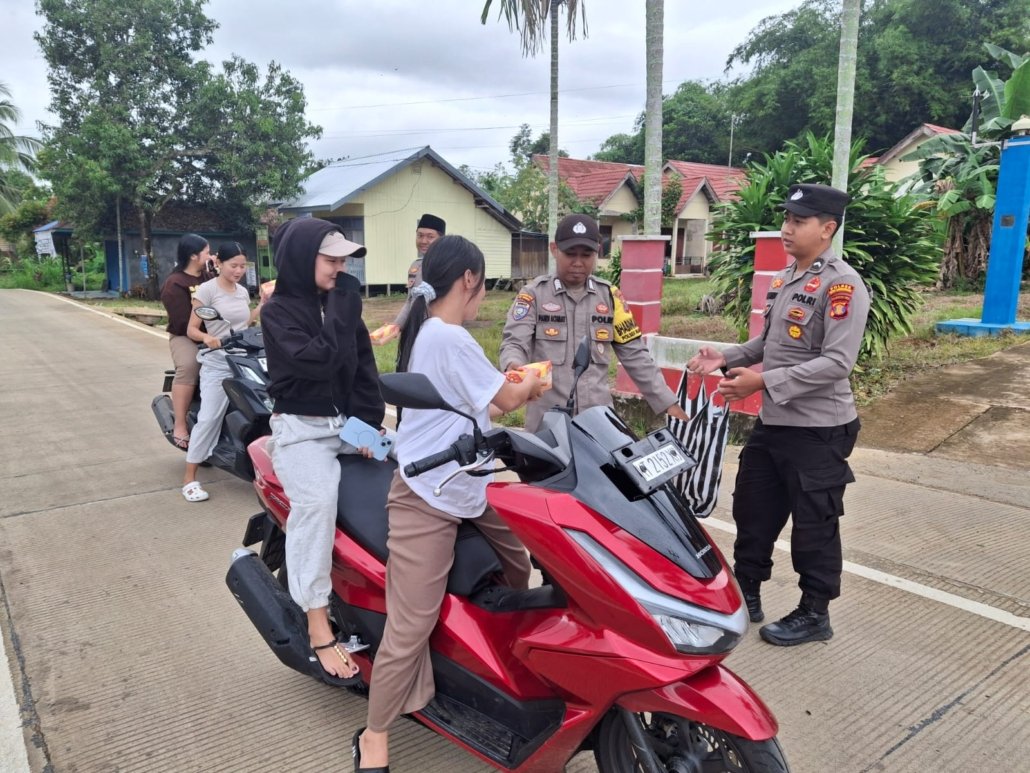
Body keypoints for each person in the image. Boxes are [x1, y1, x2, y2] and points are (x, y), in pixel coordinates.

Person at [353, 235, 543, 772]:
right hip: (426, 495)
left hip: (468, 483)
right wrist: (531, 379)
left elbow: (481, 404)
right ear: (469, 280)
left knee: (518, 563)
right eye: (483, 284)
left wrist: (514, 388)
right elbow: (507, 398)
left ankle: (487, 661)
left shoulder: (434, 333)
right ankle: (374, 734)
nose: (483, 294)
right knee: (410, 623)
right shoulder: (447, 336)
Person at [686, 183, 870, 646]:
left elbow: (837, 363)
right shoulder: (787, 278)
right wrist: (725, 357)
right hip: (775, 423)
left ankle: (815, 613)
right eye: (786, 218)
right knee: (754, 510)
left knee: (814, 522)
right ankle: (747, 592)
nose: (787, 228)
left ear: (827, 229)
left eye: (798, 221)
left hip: (819, 429)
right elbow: (768, 344)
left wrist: (761, 381)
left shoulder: (843, 285)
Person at [260, 217, 385, 682]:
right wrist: (344, 305)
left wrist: (369, 429)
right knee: (316, 504)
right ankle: (317, 621)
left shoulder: (338, 304)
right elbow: (320, 361)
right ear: (301, 259)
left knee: (414, 472)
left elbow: (363, 369)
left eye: (343, 262)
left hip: (347, 427)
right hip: (301, 430)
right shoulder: (277, 313)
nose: (340, 269)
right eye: (331, 260)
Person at [499, 213, 688, 432]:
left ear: (597, 252)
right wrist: (513, 364)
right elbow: (515, 341)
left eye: (586, 255)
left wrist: (668, 403)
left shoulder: (610, 297)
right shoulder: (533, 295)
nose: (578, 262)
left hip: (599, 424)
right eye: (570, 254)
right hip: (547, 423)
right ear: (554, 249)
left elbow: (636, 355)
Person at [180, 242, 263, 502]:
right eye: (233, 265)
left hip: (244, 359)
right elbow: (192, 329)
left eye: (242, 266)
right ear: (219, 263)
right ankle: (189, 478)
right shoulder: (207, 290)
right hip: (217, 362)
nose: (238, 271)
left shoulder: (242, 291)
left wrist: (263, 305)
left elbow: (244, 324)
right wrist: (207, 338)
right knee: (209, 418)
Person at [159, 233, 213, 449]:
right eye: (207, 253)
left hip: (215, 334)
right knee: (190, 365)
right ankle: (180, 424)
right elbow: (182, 322)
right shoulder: (175, 283)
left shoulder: (209, 277)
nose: (210, 256)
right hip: (184, 336)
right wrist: (203, 337)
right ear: (193, 256)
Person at [370, 213, 446, 344]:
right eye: (420, 235)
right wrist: (396, 326)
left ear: (441, 239)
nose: (423, 241)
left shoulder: (448, 267)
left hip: (439, 332)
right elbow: (410, 301)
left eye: (430, 237)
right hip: (415, 332)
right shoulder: (415, 266)